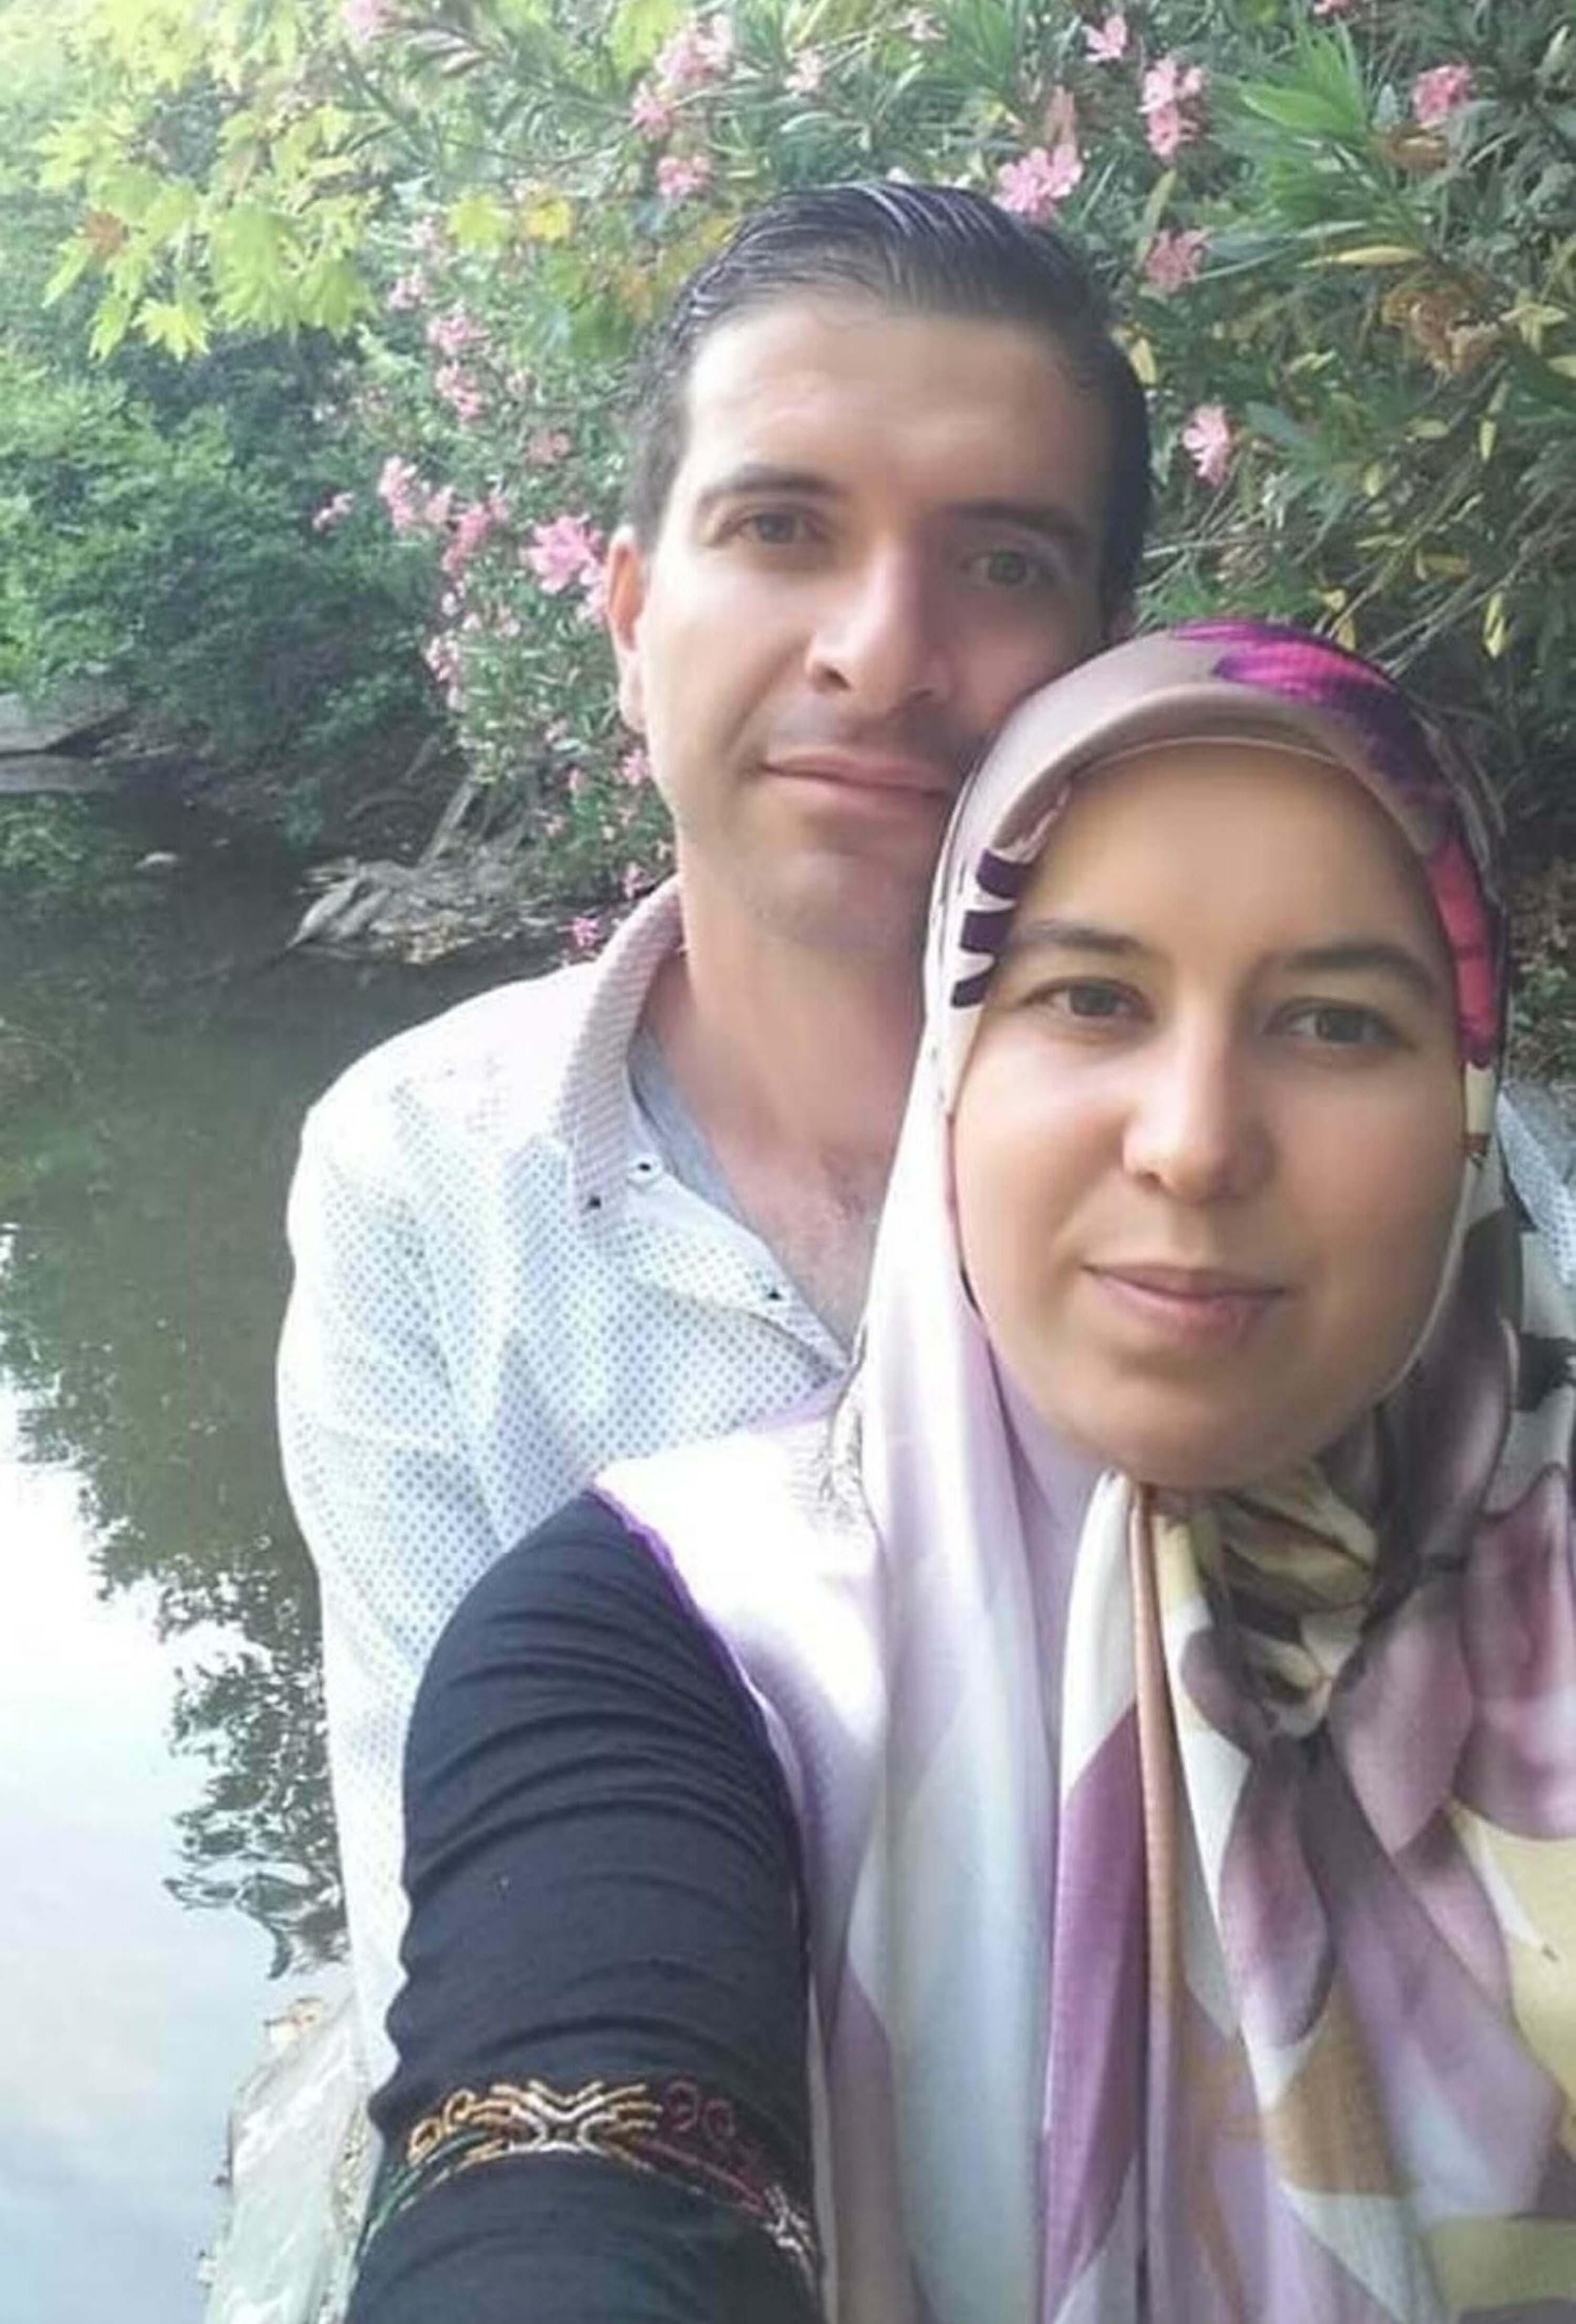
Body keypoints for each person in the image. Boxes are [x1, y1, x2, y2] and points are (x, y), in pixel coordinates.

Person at [347, 623, 1576, 2323]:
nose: (1194, 1141)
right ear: (953, 1068)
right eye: (1092, 998)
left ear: (1468, 1113)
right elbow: (566, 2172)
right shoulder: (669, 1645)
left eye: (1336, 1021)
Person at [277, 178, 1152, 2081]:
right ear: (629, 613)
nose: (882, 653)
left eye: (1003, 561)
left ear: (1107, 658)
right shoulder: (424, 1180)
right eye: (779, 527)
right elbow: (482, 1940)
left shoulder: (1360, 1168)